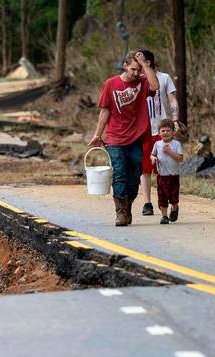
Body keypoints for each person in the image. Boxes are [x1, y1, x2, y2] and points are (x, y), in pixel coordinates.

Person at [90, 51, 159, 226]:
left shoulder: (143, 83)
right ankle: (120, 212)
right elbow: (104, 111)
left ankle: (127, 206)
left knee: (135, 176)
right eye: (133, 69)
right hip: (115, 138)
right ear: (125, 66)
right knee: (120, 174)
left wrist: (145, 65)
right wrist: (98, 135)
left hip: (136, 137)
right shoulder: (111, 84)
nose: (136, 73)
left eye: (139, 70)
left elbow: (155, 86)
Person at [135, 50, 180, 217]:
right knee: (145, 168)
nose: (141, 67)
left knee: (164, 167)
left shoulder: (164, 77)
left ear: (152, 63)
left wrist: (175, 120)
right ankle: (147, 202)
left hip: (162, 129)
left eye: (144, 63)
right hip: (144, 129)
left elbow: (172, 100)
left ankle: (167, 200)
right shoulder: (137, 80)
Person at [150, 119, 184, 224]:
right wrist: (153, 159)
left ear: (173, 132)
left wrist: (169, 152)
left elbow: (180, 158)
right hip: (162, 175)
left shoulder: (176, 144)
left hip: (173, 175)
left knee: (174, 196)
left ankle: (174, 208)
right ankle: (164, 216)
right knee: (162, 196)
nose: (165, 133)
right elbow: (152, 154)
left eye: (168, 130)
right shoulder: (157, 144)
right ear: (159, 133)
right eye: (163, 131)